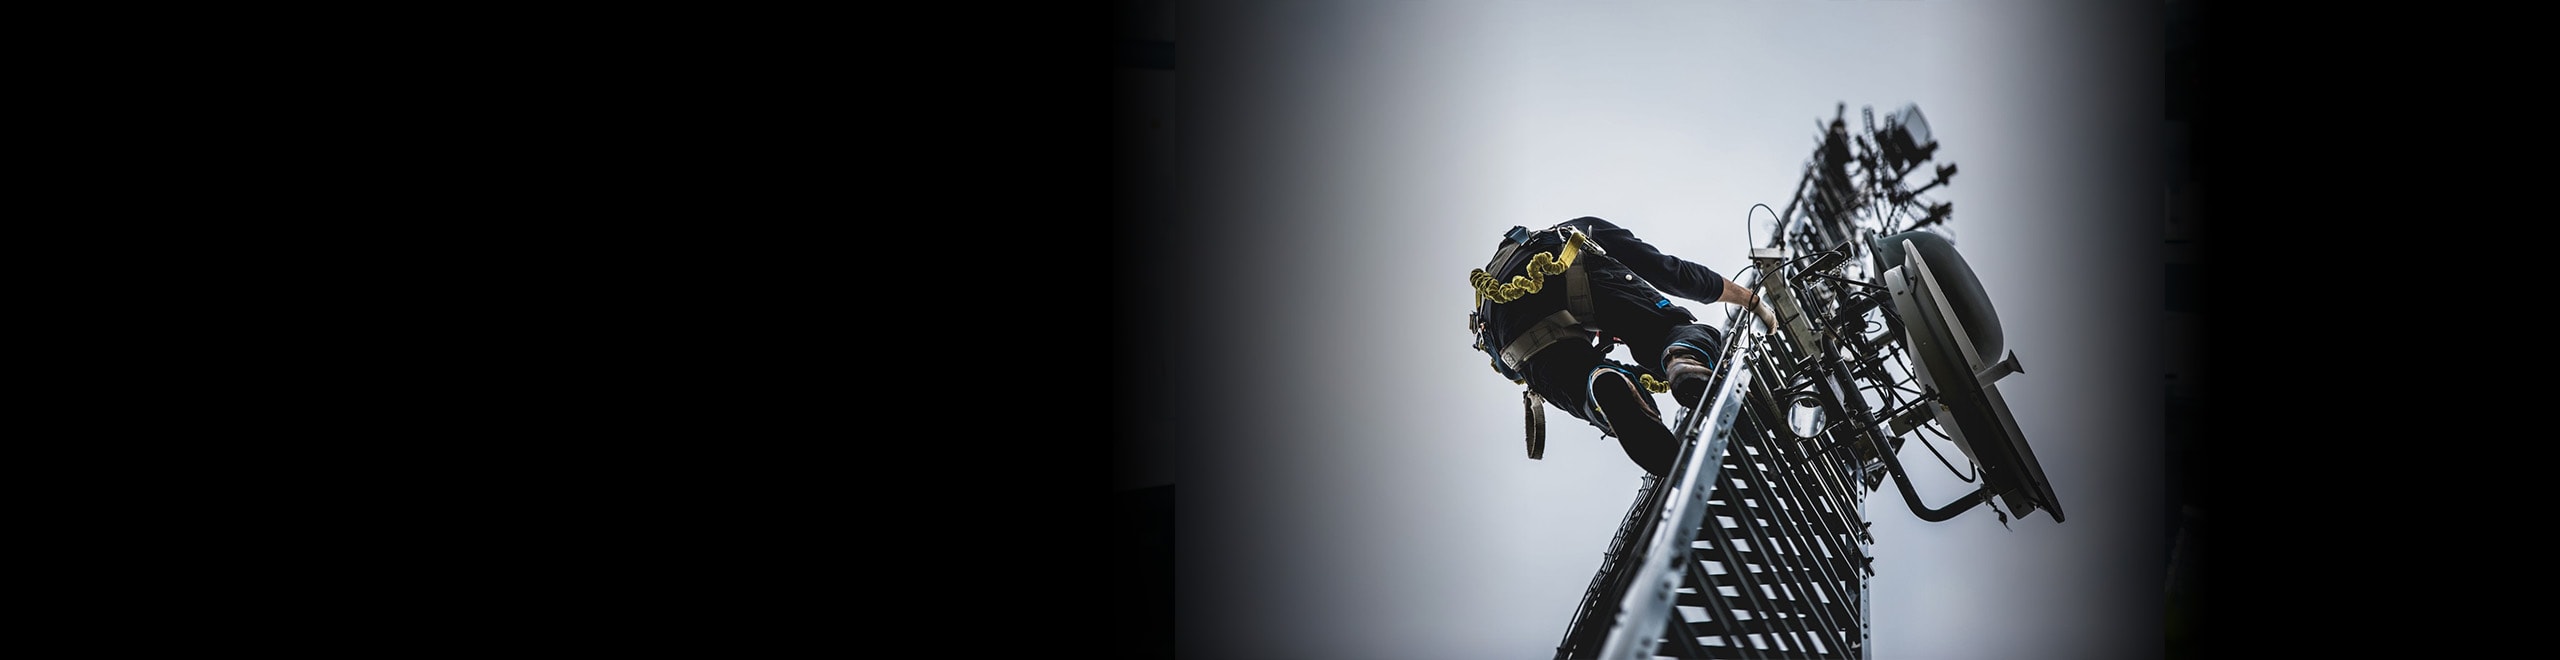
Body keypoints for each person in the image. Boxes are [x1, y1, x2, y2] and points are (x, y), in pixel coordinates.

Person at [1468, 217, 1778, 477]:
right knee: (1666, 332)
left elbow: (1513, 370)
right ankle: (1684, 358)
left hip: (1508, 333)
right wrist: (1748, 299)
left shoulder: (1493, 292)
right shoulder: (1576, 230)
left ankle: (1602, 383)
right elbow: (1669, 271)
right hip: (1569, 261)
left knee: (1582, 378)